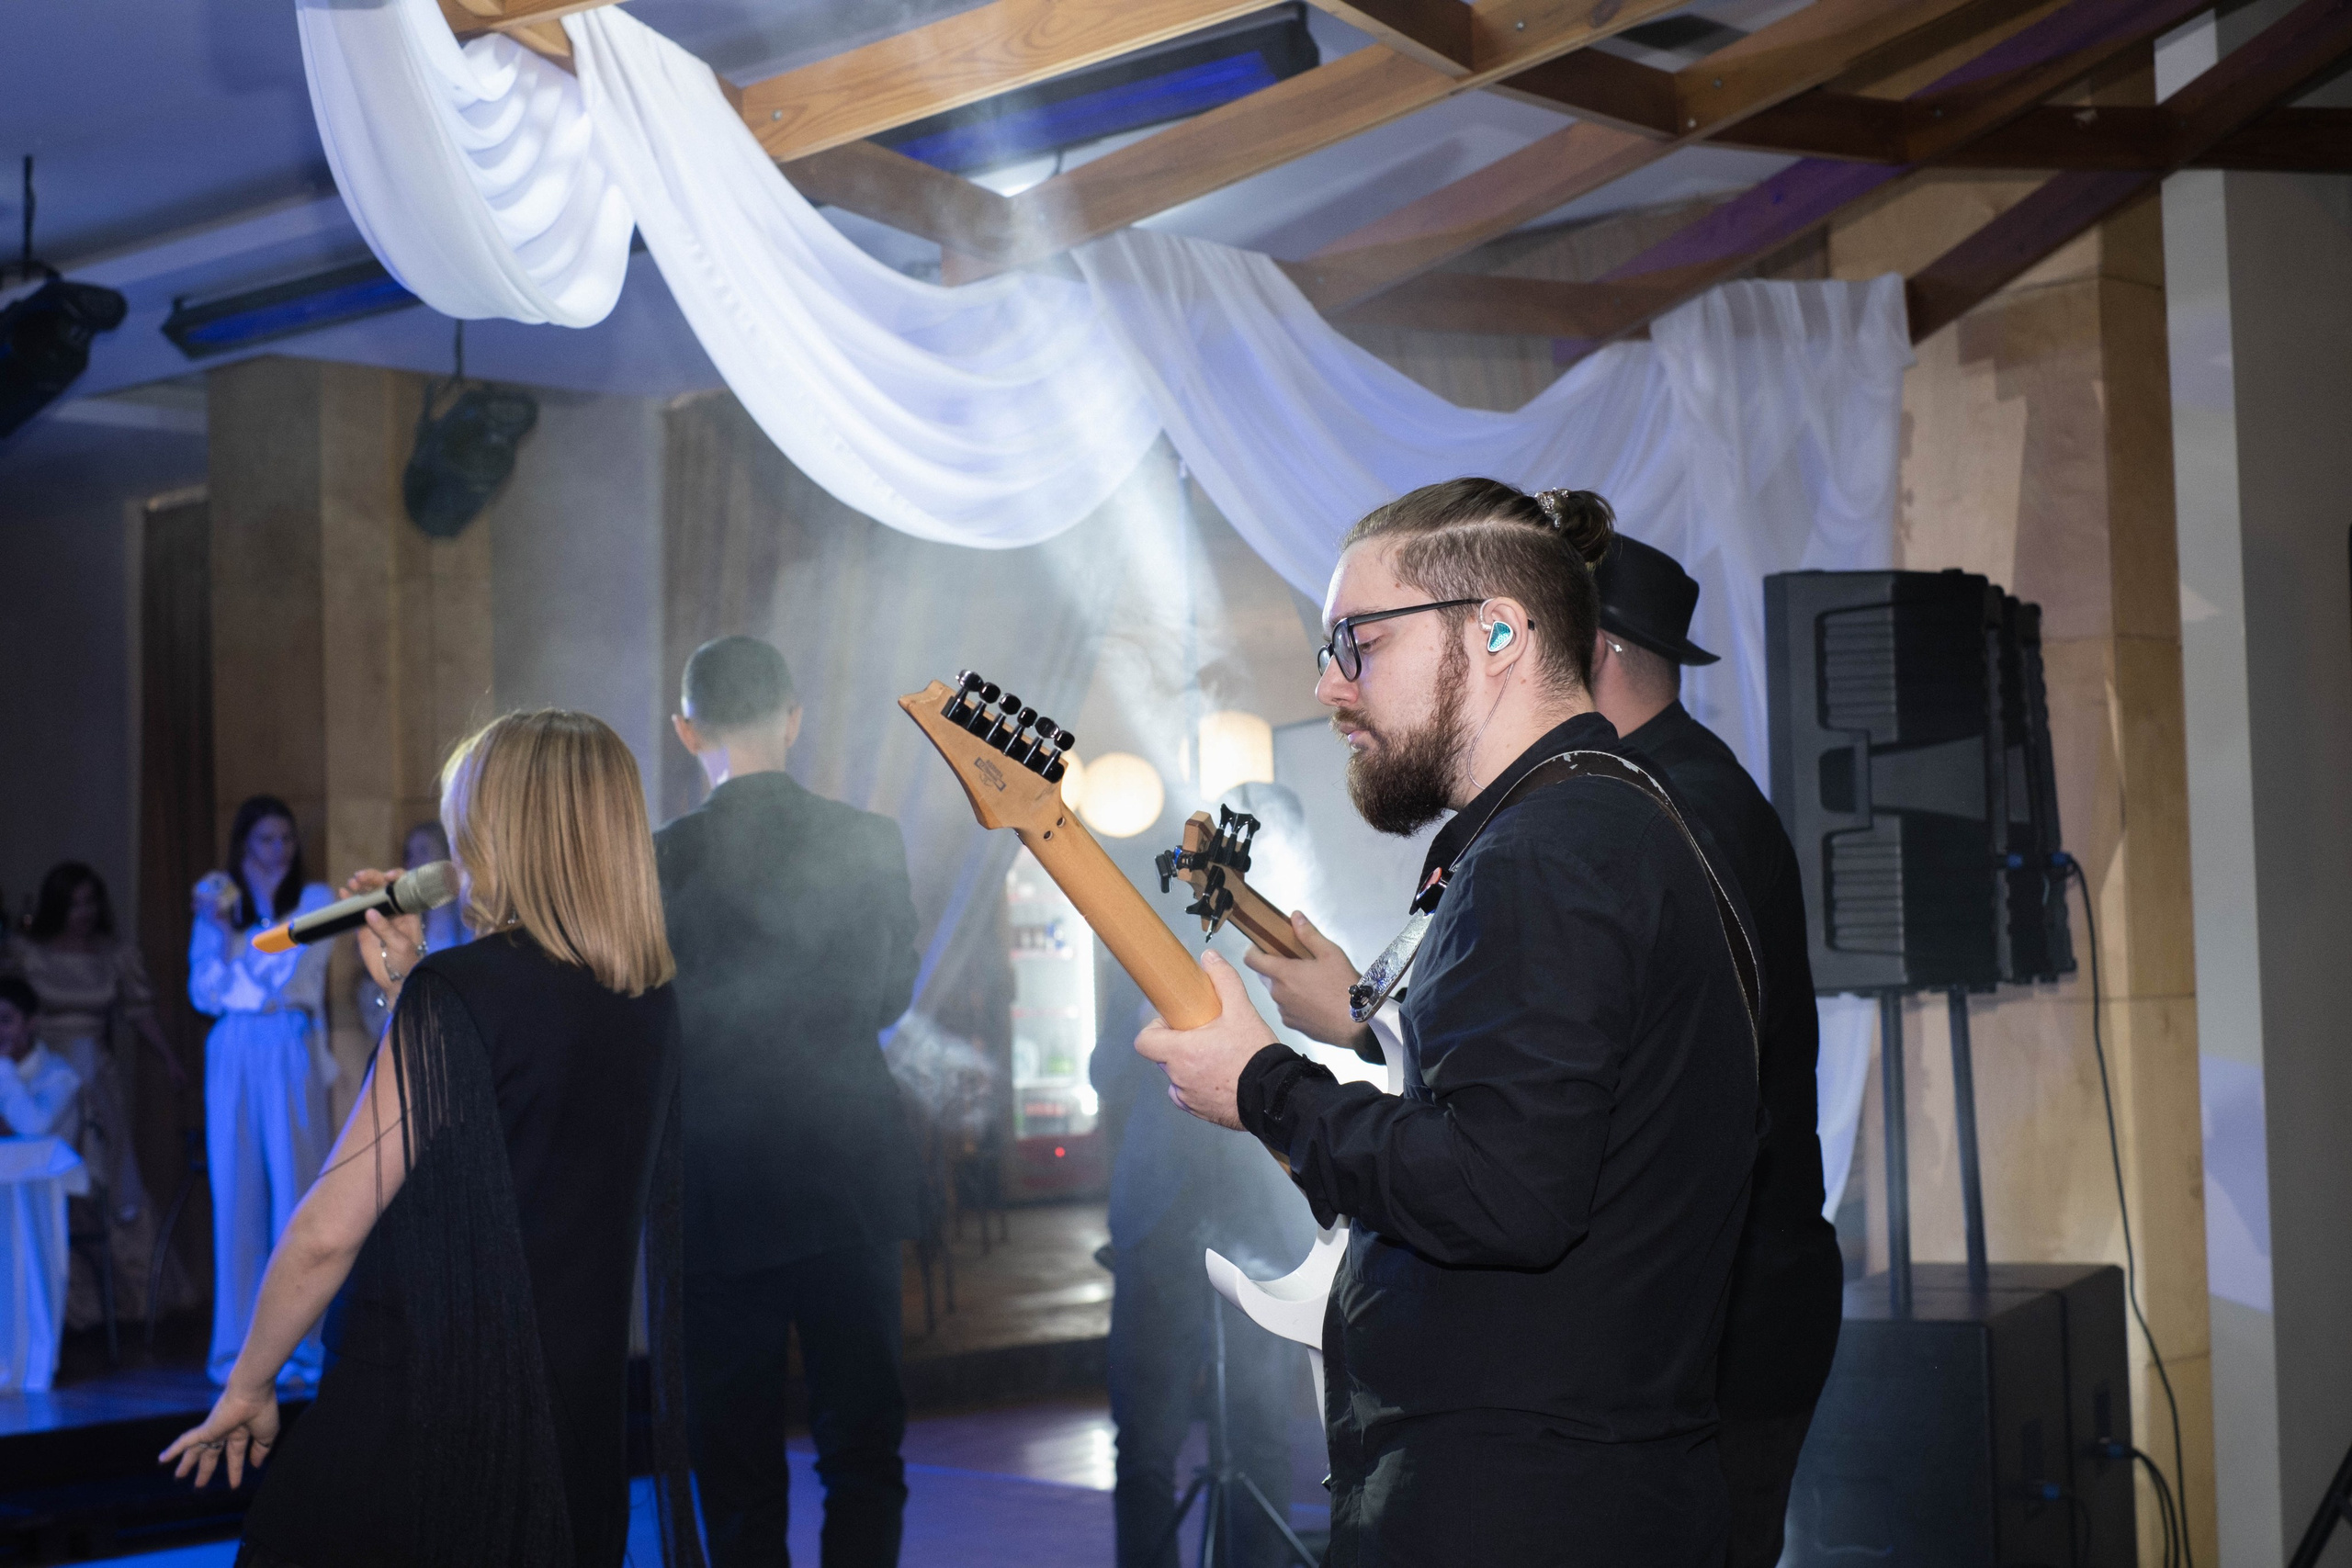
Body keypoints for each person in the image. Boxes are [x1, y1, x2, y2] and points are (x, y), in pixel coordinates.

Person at [1138, 479, 1759, 1566]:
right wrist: (1371, 1025)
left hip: (1525, 1507)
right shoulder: (1588, 816)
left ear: (1500, 631)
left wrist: (1261, 1086)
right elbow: (1550, 1106)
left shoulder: (1550, 850)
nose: (1329, 687)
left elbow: (1503, 1189)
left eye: (1355, 643)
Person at [161, 710, 704, 1568]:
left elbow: (325, 1230)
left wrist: (250, 1381)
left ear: (498, 828)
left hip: (427, 1402)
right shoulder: (651, 1000)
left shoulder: (464, 990)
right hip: (566, 1416)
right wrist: (415, 988)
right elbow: (520, 1127)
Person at [1586, 533, 1845, 1568]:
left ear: (1596, 651)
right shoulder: (1680, 787)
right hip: (1732, 1311)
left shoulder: (1670, 808)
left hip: (1722, 1326)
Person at [657, 635, 922, 1568]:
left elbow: (651, 1026)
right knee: (862, 1450)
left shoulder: (661, 859)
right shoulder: (868, 838)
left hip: (718, 1186)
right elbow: (892, 997)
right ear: (793, 717)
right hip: (846, 1171)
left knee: (733, 1467)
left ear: (688, 731)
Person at [1094, 982, 1312, 1568]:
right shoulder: (1137, 949)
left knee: (1260, 1431)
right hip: (1159, 1229)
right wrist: (1139, 1023)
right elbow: (1104, 1074)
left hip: (1260, 1222)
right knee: (1144, 1441)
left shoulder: (1257, 930)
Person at [188, 796, 338, 1386]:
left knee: (296, 1189)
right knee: (235, 1194)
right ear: (244, 845)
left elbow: (286, 970)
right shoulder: (217, 905)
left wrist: (240, 941)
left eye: (286, 839)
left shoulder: (318, 901)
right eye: (265, 840)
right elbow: (206, 991)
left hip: (287, 1040)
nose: (277, 851)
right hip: (232, 1050)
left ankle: (302, 1347)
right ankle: (236, 1351)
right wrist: (231, 936)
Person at [5, 863, 187, 1227]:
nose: (83, 912)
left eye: (90, 902)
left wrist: (170, 1059)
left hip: (95, 1071)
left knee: (107, 1165)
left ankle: (110, 1262)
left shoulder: (116, 955)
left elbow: (139, 1011)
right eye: (73, 904)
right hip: (40, 1070)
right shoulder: (28, 953)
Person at [353, 821, 471, 1043]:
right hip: (418, 1037)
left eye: (423, 851)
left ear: (446, 858)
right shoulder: (401, 923)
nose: (413, 862)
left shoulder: (472, 921)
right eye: (409, 853)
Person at [0, 976, 82, 1142]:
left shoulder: (59, 1074)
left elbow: (32, 1130)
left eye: (5, 1020)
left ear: (31, 1023)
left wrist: (3, 1065)